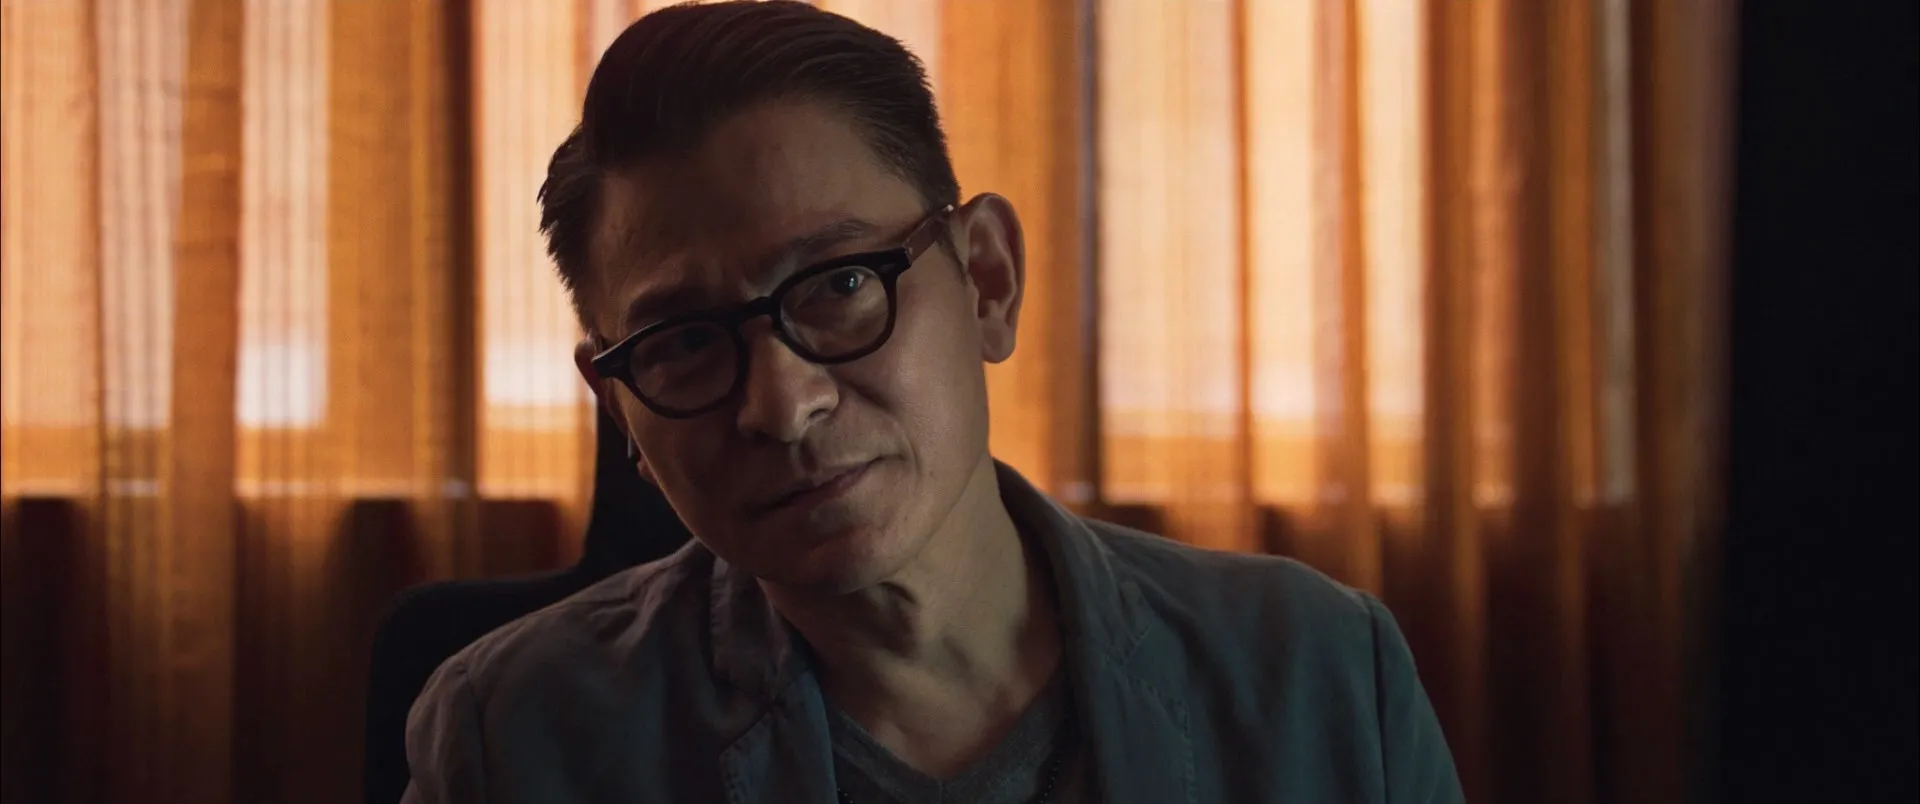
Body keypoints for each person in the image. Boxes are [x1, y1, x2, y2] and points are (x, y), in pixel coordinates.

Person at [402, 3, 1463, 802]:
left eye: (839, 285)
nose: (781, 405)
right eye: (682, 343)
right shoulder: (513, 740)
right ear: (618, 408)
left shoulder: (1321, 677)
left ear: (988, 281)